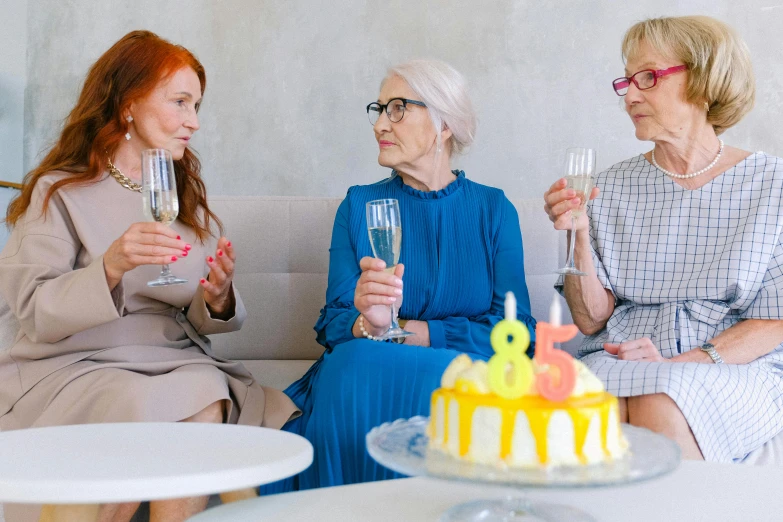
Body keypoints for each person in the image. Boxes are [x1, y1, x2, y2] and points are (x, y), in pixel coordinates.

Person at [0, 31, 297, 521]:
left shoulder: (181, 195)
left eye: (197, 105)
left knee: (205, 391)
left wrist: (217, 296)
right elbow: (33, 308)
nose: (193, 122)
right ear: (128, 104)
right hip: (80, 361)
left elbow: (190, 313)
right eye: (180, 102)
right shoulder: (60, 191)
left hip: (172, 358)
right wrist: (110, 266)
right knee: (152, 402)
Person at [263, 59, 536, 492]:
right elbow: (333, 325)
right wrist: (364, 322)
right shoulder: (358, 206)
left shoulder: (493, 210)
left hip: (457, 367)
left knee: (445, 381)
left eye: (398, 108)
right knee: (350, 363)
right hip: (365, 363)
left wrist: (417, 332)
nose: (379, 124)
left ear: (444, 125)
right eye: (379, 108)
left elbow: (518, 332)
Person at [544, 15, 783, 462]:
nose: (630, 95)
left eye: (648, 77)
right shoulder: (607, 186)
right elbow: (592, 321)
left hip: (729, 365)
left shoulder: (773, 185)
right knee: (589, 407)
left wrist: (681, 364)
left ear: (705, 78)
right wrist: (577, 236)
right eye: (628, 80)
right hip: (617, 356)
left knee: (662, 398)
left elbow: (775, 321)